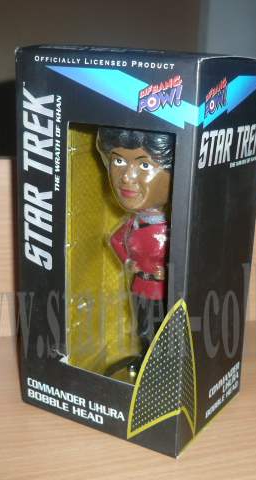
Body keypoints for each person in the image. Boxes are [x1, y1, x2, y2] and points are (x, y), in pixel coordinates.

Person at [96, 127, 174, 378]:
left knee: (163, 327)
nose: (127, 178)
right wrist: (128, 261)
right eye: (118, 161)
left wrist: (169, 271)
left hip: (164, 291)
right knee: (143, 327)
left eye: (144, 166)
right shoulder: (134, 223)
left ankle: (162, 367)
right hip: (140, 286)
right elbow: (116, 240)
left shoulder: (169, 226)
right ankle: (145, 362)